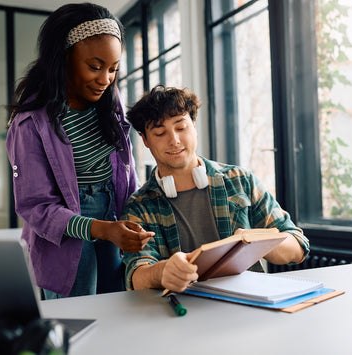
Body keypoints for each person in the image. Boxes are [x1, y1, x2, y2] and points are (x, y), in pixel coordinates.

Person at [6, 3, 154, 298]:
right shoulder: (30, 124)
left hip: (114, 215)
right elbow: (36, 207)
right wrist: (102, 229)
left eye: (113, 69)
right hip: (68, 232)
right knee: (79, 321)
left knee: (119, 307)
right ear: (64, 57)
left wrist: (135, 213)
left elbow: (126, 167)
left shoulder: (109, 101)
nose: (105, 79)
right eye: (95, 67)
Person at [121, 85, 310, 293]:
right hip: (181, 315)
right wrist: (163, 271)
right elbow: (136, 275)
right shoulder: (139, 207)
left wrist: (257, 241)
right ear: (145, 140)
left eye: (181, 128)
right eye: (159, 133)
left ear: (193, 125)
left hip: (248, 308)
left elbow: (298, 246)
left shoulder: (240, 180)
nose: (174, 140)